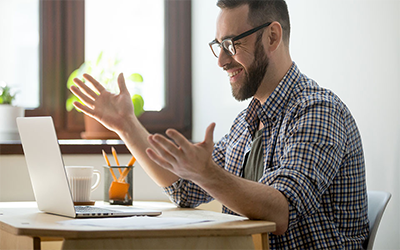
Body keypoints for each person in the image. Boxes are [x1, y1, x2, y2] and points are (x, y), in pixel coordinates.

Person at [70, 0, 369, 248]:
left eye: (231, 44)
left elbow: (281, 211)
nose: (221, 60)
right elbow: (185, 189)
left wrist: (208, 173)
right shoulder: (247, 122)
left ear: (272, 37)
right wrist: (126, 125)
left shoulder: (317, 110)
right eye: (218, 45)